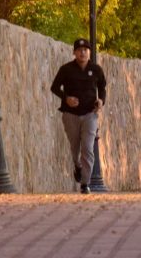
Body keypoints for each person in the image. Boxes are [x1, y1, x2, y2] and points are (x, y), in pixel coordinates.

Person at [50, 38, 107, 194]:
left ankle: (85, 184)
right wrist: (66, 98)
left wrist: (101, 101)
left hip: (90, 114)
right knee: (75, 147)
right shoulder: (66, 69)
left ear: (89, 52)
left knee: (88, 148)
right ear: (74, 52)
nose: (83, 52)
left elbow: (102, 88)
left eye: (86, 50)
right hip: (70, 115)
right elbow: (54, 87)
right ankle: (77, 165)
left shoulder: (96, 70)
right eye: (80, 50)